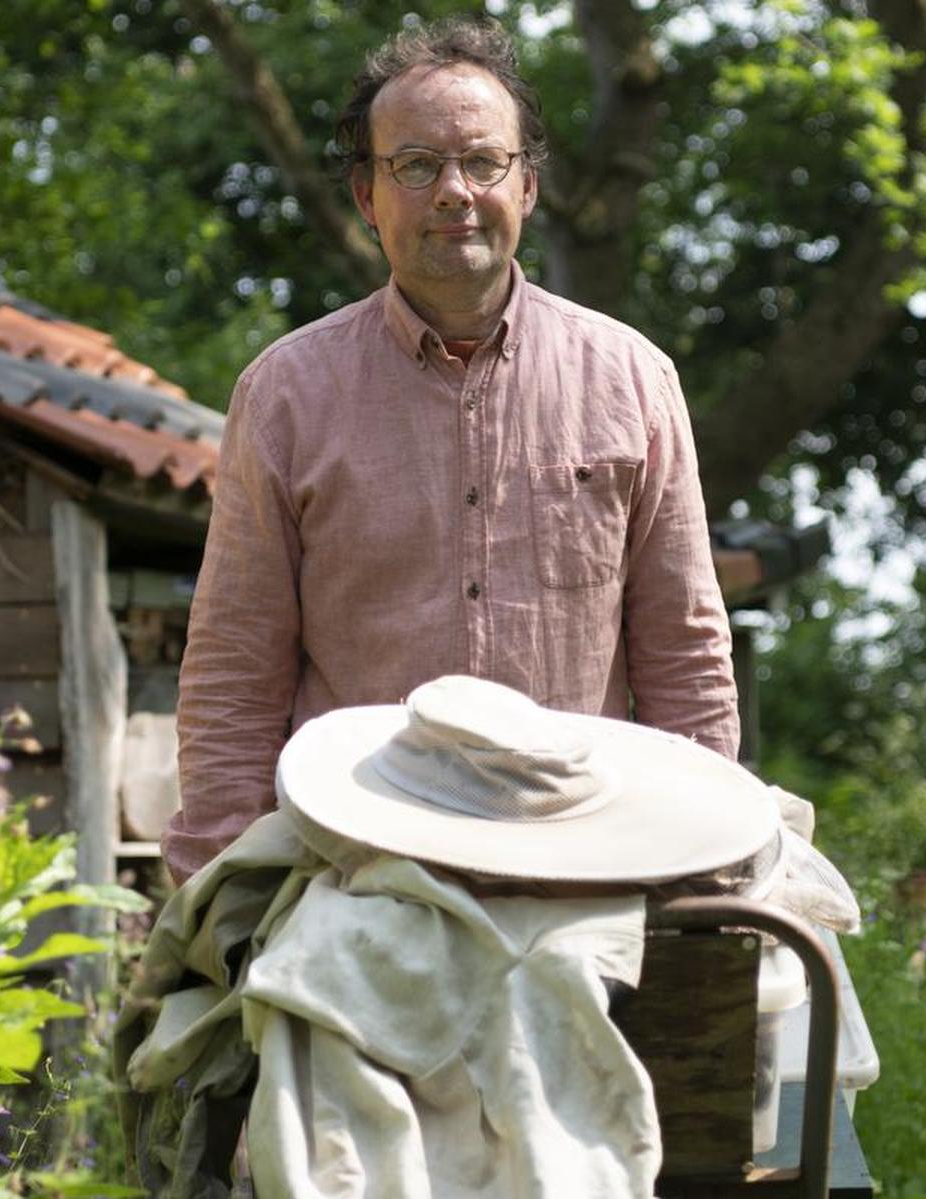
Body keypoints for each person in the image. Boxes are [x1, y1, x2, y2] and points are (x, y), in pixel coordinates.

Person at [165, 16, 740, 884]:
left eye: (482, 162)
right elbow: (236, 670)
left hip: (584, 862)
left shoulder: (633, 381)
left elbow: (686, 655)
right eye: (416, 165)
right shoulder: (286, 394)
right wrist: (221, 887)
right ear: (368, 196)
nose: (454, 191)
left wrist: (704, 867)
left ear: (529, 185)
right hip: (354, 870)